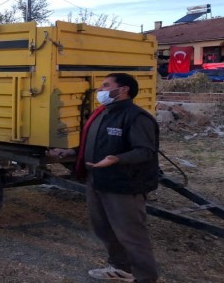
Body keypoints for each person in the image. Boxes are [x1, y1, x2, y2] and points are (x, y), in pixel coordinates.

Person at [48, 73, 159, 283]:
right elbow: (94, 144)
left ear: (124, 90)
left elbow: (145, 151)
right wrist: (70, 153)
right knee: (104, 229)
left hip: (124, 185)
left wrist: (116, 158)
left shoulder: (136, 117)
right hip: (98, 181)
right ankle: (120, 268)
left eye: (106, 86)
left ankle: (145, 278)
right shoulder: (102, 113)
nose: (100, 90)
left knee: (132, 235)